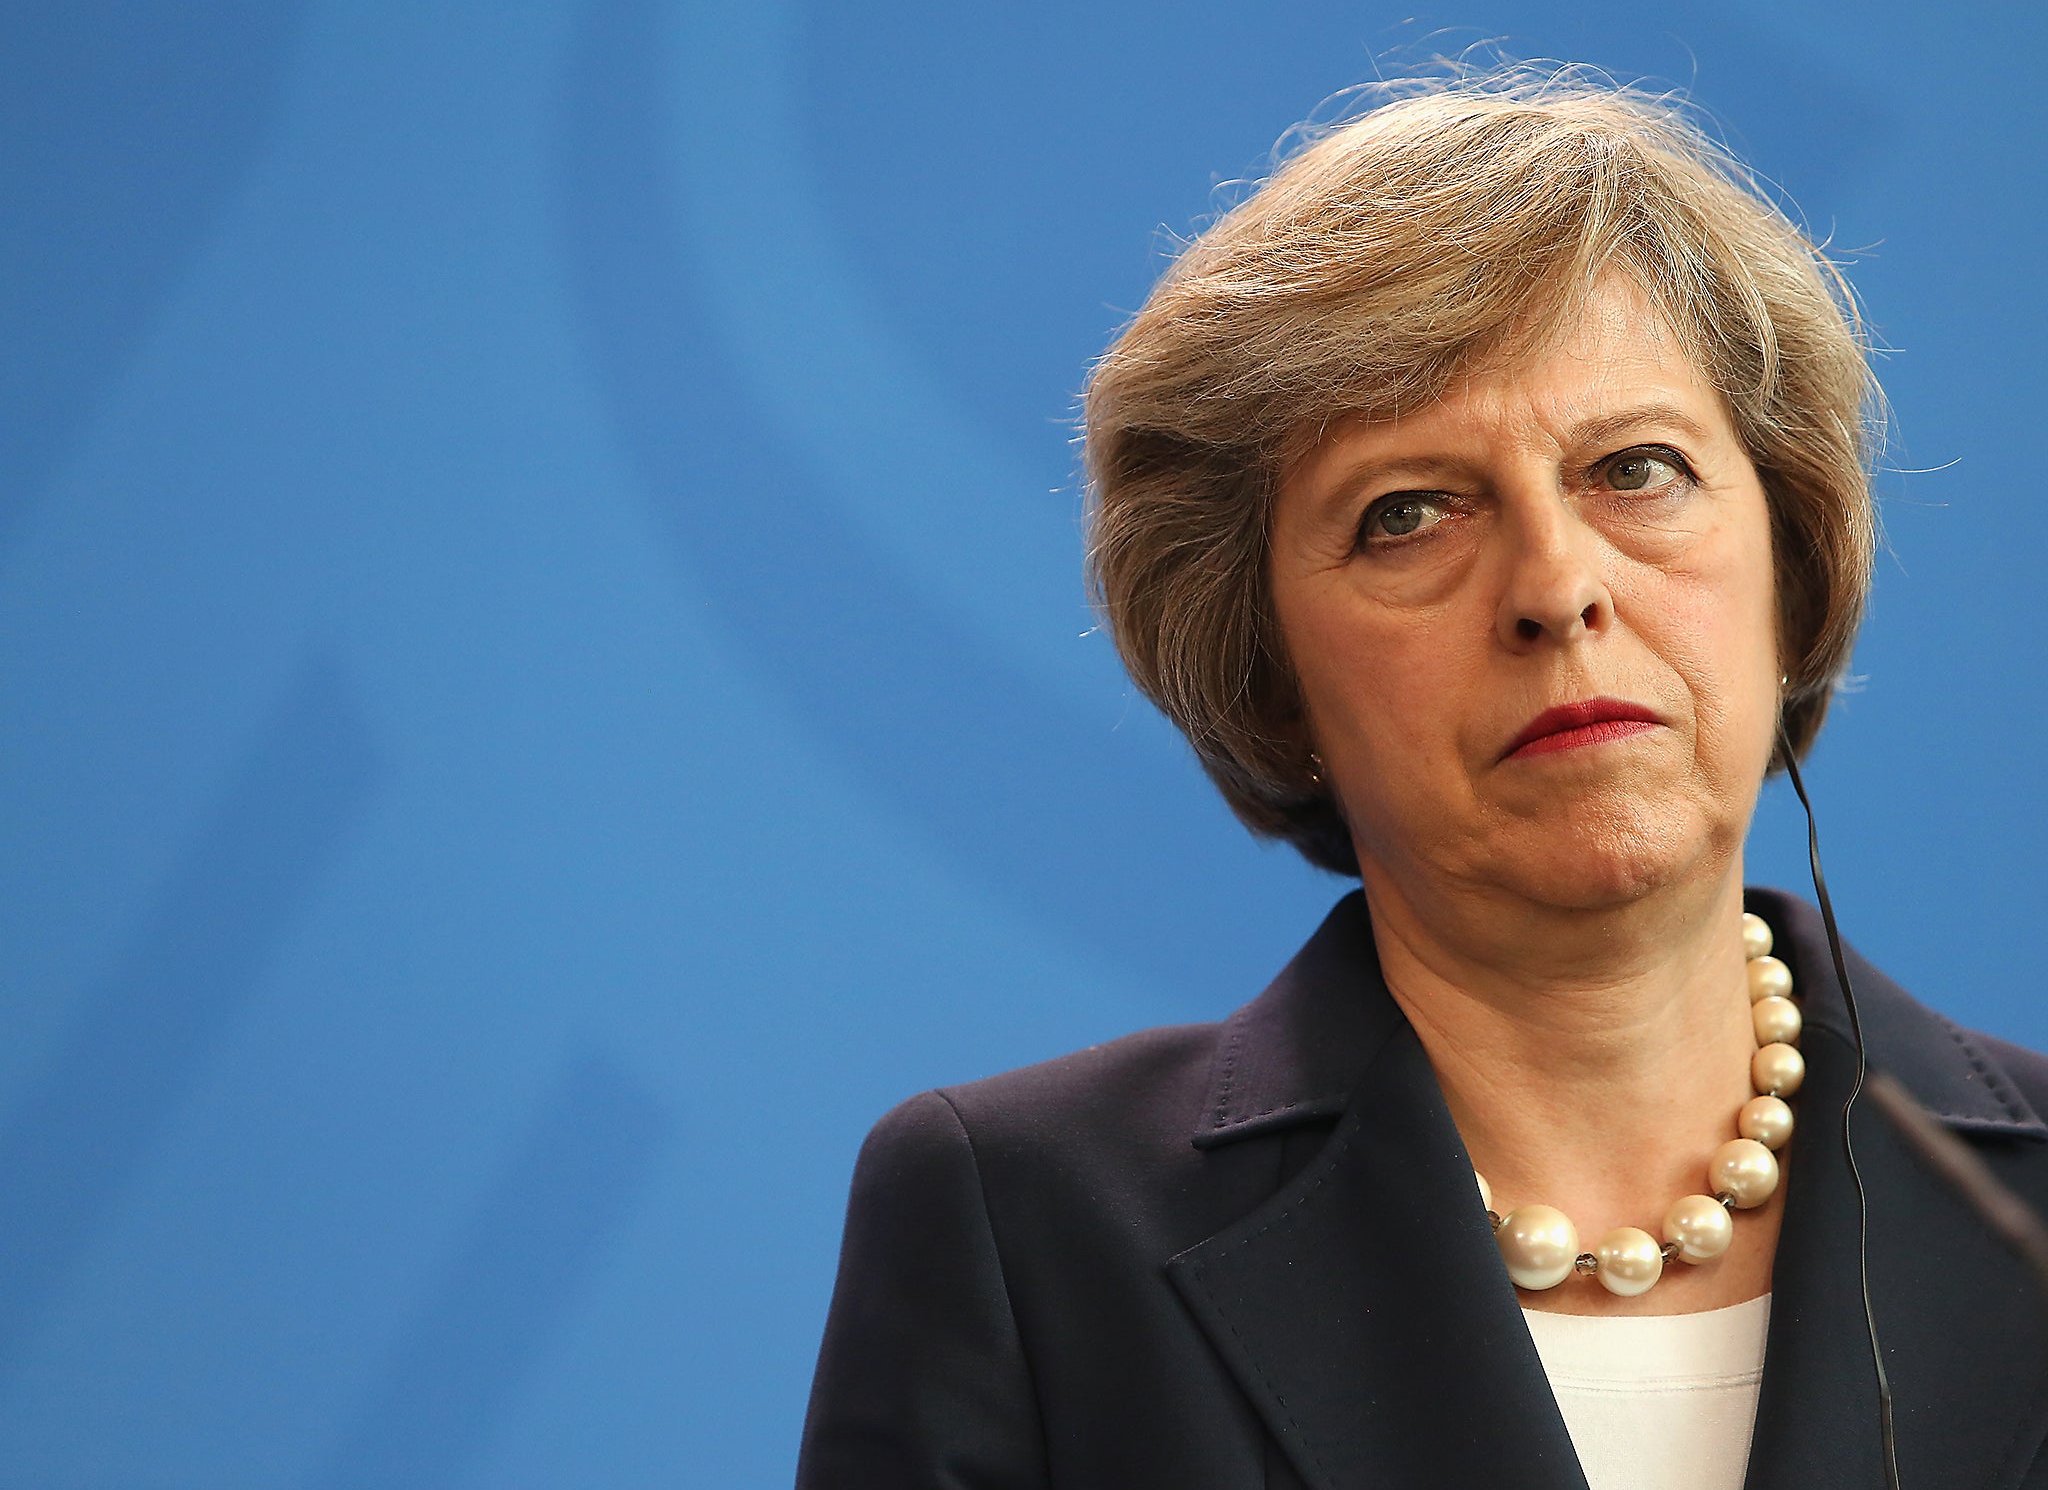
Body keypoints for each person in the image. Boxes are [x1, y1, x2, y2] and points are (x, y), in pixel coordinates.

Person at [792, 73, 2048, 1490]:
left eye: (1635, 468)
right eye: (1409, 514)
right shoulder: (1026, 1235)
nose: (1558, 587)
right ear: (1268, 671)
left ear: (1792, 564)